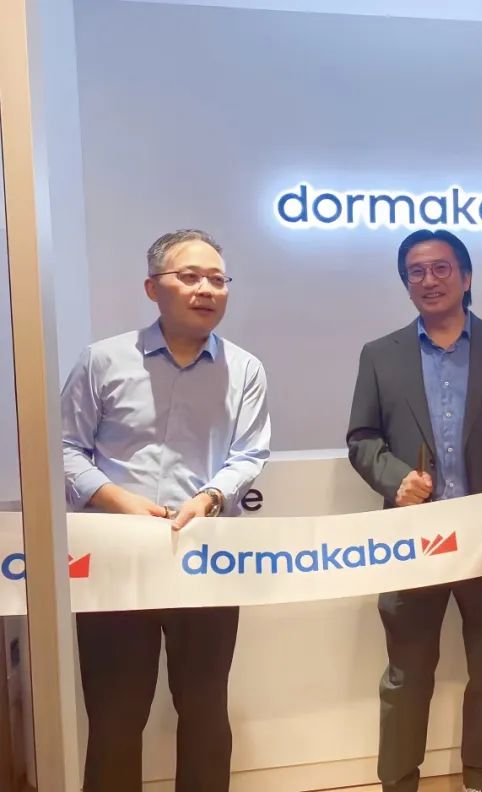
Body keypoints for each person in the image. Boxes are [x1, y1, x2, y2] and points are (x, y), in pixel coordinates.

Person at [61, 229, 271, 791]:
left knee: (205, 711)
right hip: (115, 560)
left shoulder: (245, 369)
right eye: (190, 276)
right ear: (153, 288)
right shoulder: (103, 361)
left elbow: (249, 454)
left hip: (206, 560)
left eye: (218, 279)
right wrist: (116, 501)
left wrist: (210, 498)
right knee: (115, 716)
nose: (207, 289)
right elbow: (64, 448)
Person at [346, 229, 482, 792]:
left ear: (466, 276)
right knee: (406, 676)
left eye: (441, 268)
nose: (429, 280)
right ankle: (399, 783)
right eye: (416, 271)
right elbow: (362, 439)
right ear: (405, 283)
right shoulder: (380, 355)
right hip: (414, 541)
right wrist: (396, 480)